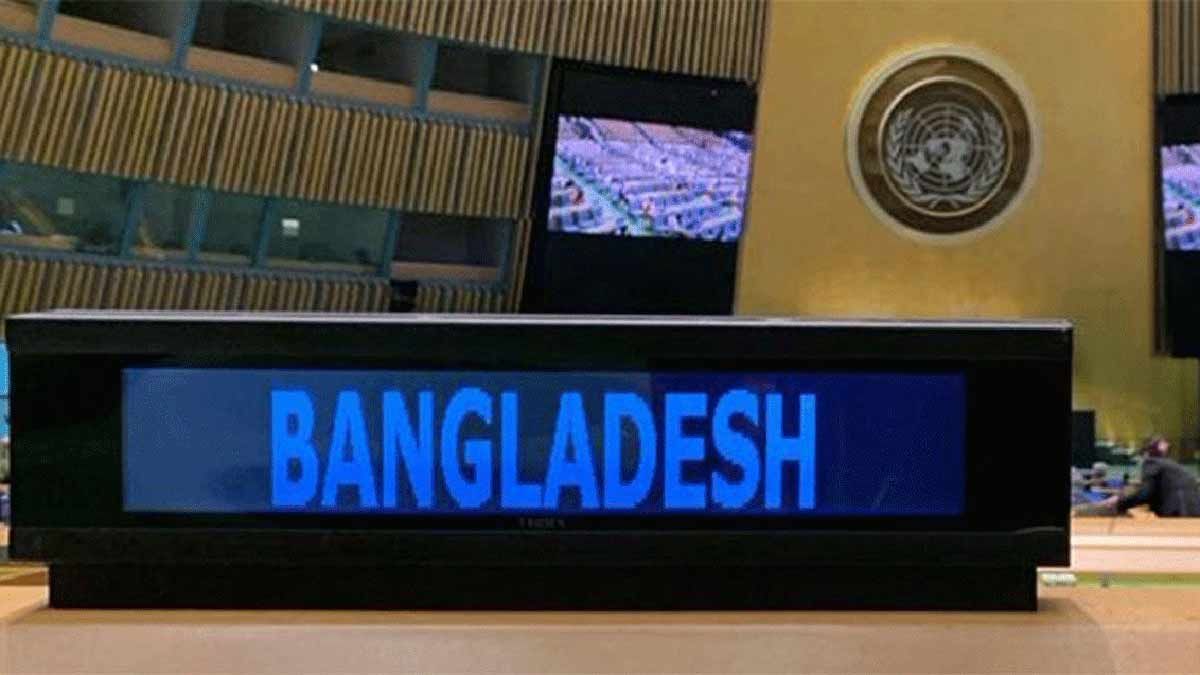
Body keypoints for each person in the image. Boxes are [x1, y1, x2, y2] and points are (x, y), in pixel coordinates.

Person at [1102, 436, 1200, 517]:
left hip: (1177, 512)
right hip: (1193, 512)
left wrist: (1119, 503)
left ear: (1146, 454)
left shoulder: (1151, 463)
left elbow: (1145, 493)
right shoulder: (1173, 467)